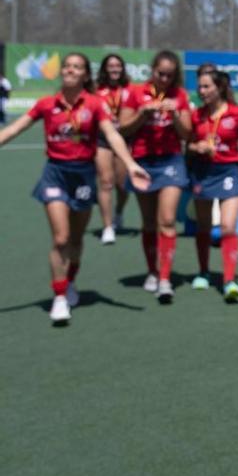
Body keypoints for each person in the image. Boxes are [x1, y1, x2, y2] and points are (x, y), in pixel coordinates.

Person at [0, 52, 149, 324]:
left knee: (77, 240)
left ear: (84, 75)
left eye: (76, 67)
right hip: (55, 174)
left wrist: (129, 163)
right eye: (67, 66)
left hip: (83, 176)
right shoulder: (46, 104)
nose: (70, 70)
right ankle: (58, 297)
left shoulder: (94, 104)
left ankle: (69, 282)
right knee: (60, 238)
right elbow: (11, 130)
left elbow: (113, 134)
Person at [120, 50, 192, 303]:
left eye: (170, 76)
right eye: (160, 74)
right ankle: (151, 270)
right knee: (149, 222)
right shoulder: (135, 92)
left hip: (171, 161)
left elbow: (187, 134)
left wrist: (173, 116)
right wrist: (142, 114)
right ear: (152, 71)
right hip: (142, 161)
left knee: (168, 220)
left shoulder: (180, 95)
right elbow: (123, 127)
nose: (164, 79)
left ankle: (164, 278)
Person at [186, 64, 238, 301]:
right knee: (204, 227)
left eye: (207, 86)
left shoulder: (237, 114)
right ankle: (203, 272)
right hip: (202, 172)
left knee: (228, 226)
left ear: (219, 88)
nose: (202, 91)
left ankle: (229, 280)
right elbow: (187, 145)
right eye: (199, 87)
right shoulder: (196, 115)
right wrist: (196, 147)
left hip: (229, 172)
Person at [94, 53, 133, 244]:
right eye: (110, 66)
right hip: (102, 139)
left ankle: (118, 212)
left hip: (124, 139)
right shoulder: (95, 89)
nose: (114, 69)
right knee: (105, 182)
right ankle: (107, 227)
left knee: (122, 184)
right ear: (104, 68)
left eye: (118, 65)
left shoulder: (130, 89)